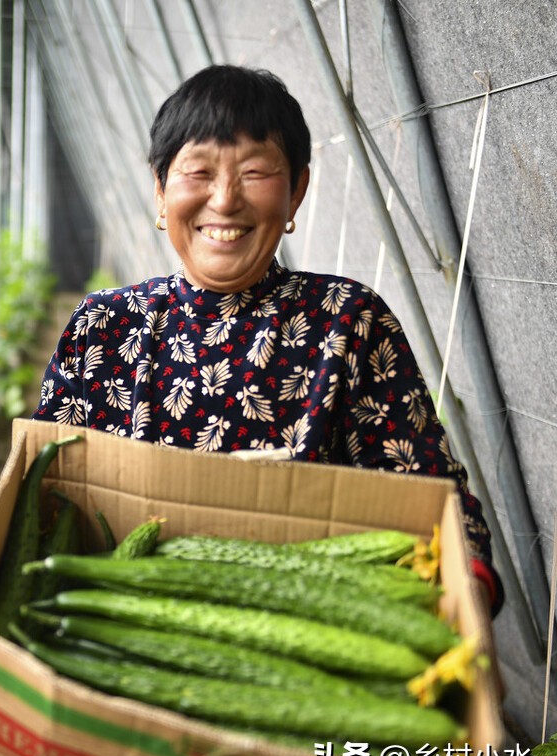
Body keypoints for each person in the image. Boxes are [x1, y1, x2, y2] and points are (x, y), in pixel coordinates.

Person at [33, 64, 502, 615]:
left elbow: (436, 502)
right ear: (160, 193)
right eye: (198, 172)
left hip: (310, 638)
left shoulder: (347, 321)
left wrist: (466, 593)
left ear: (296, 191)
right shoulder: (104, 326)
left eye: (254, 172)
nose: (225, 199)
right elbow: (36, 488)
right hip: (121, 628)